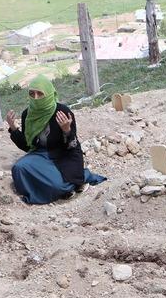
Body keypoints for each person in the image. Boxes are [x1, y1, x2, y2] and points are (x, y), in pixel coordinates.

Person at [6, 75, 105, 204]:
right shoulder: (28, 114)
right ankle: (43, 190)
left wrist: (67, 130)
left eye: (40, 94)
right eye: (32, 93)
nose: (35, 98)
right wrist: (14, 128)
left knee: (58, 186)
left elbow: (72, 145)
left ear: (49, 94)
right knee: (19, 168)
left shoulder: (62, 111)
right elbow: (27, 145)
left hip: (63, 156)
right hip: (40, 155)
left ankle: (82, 177)